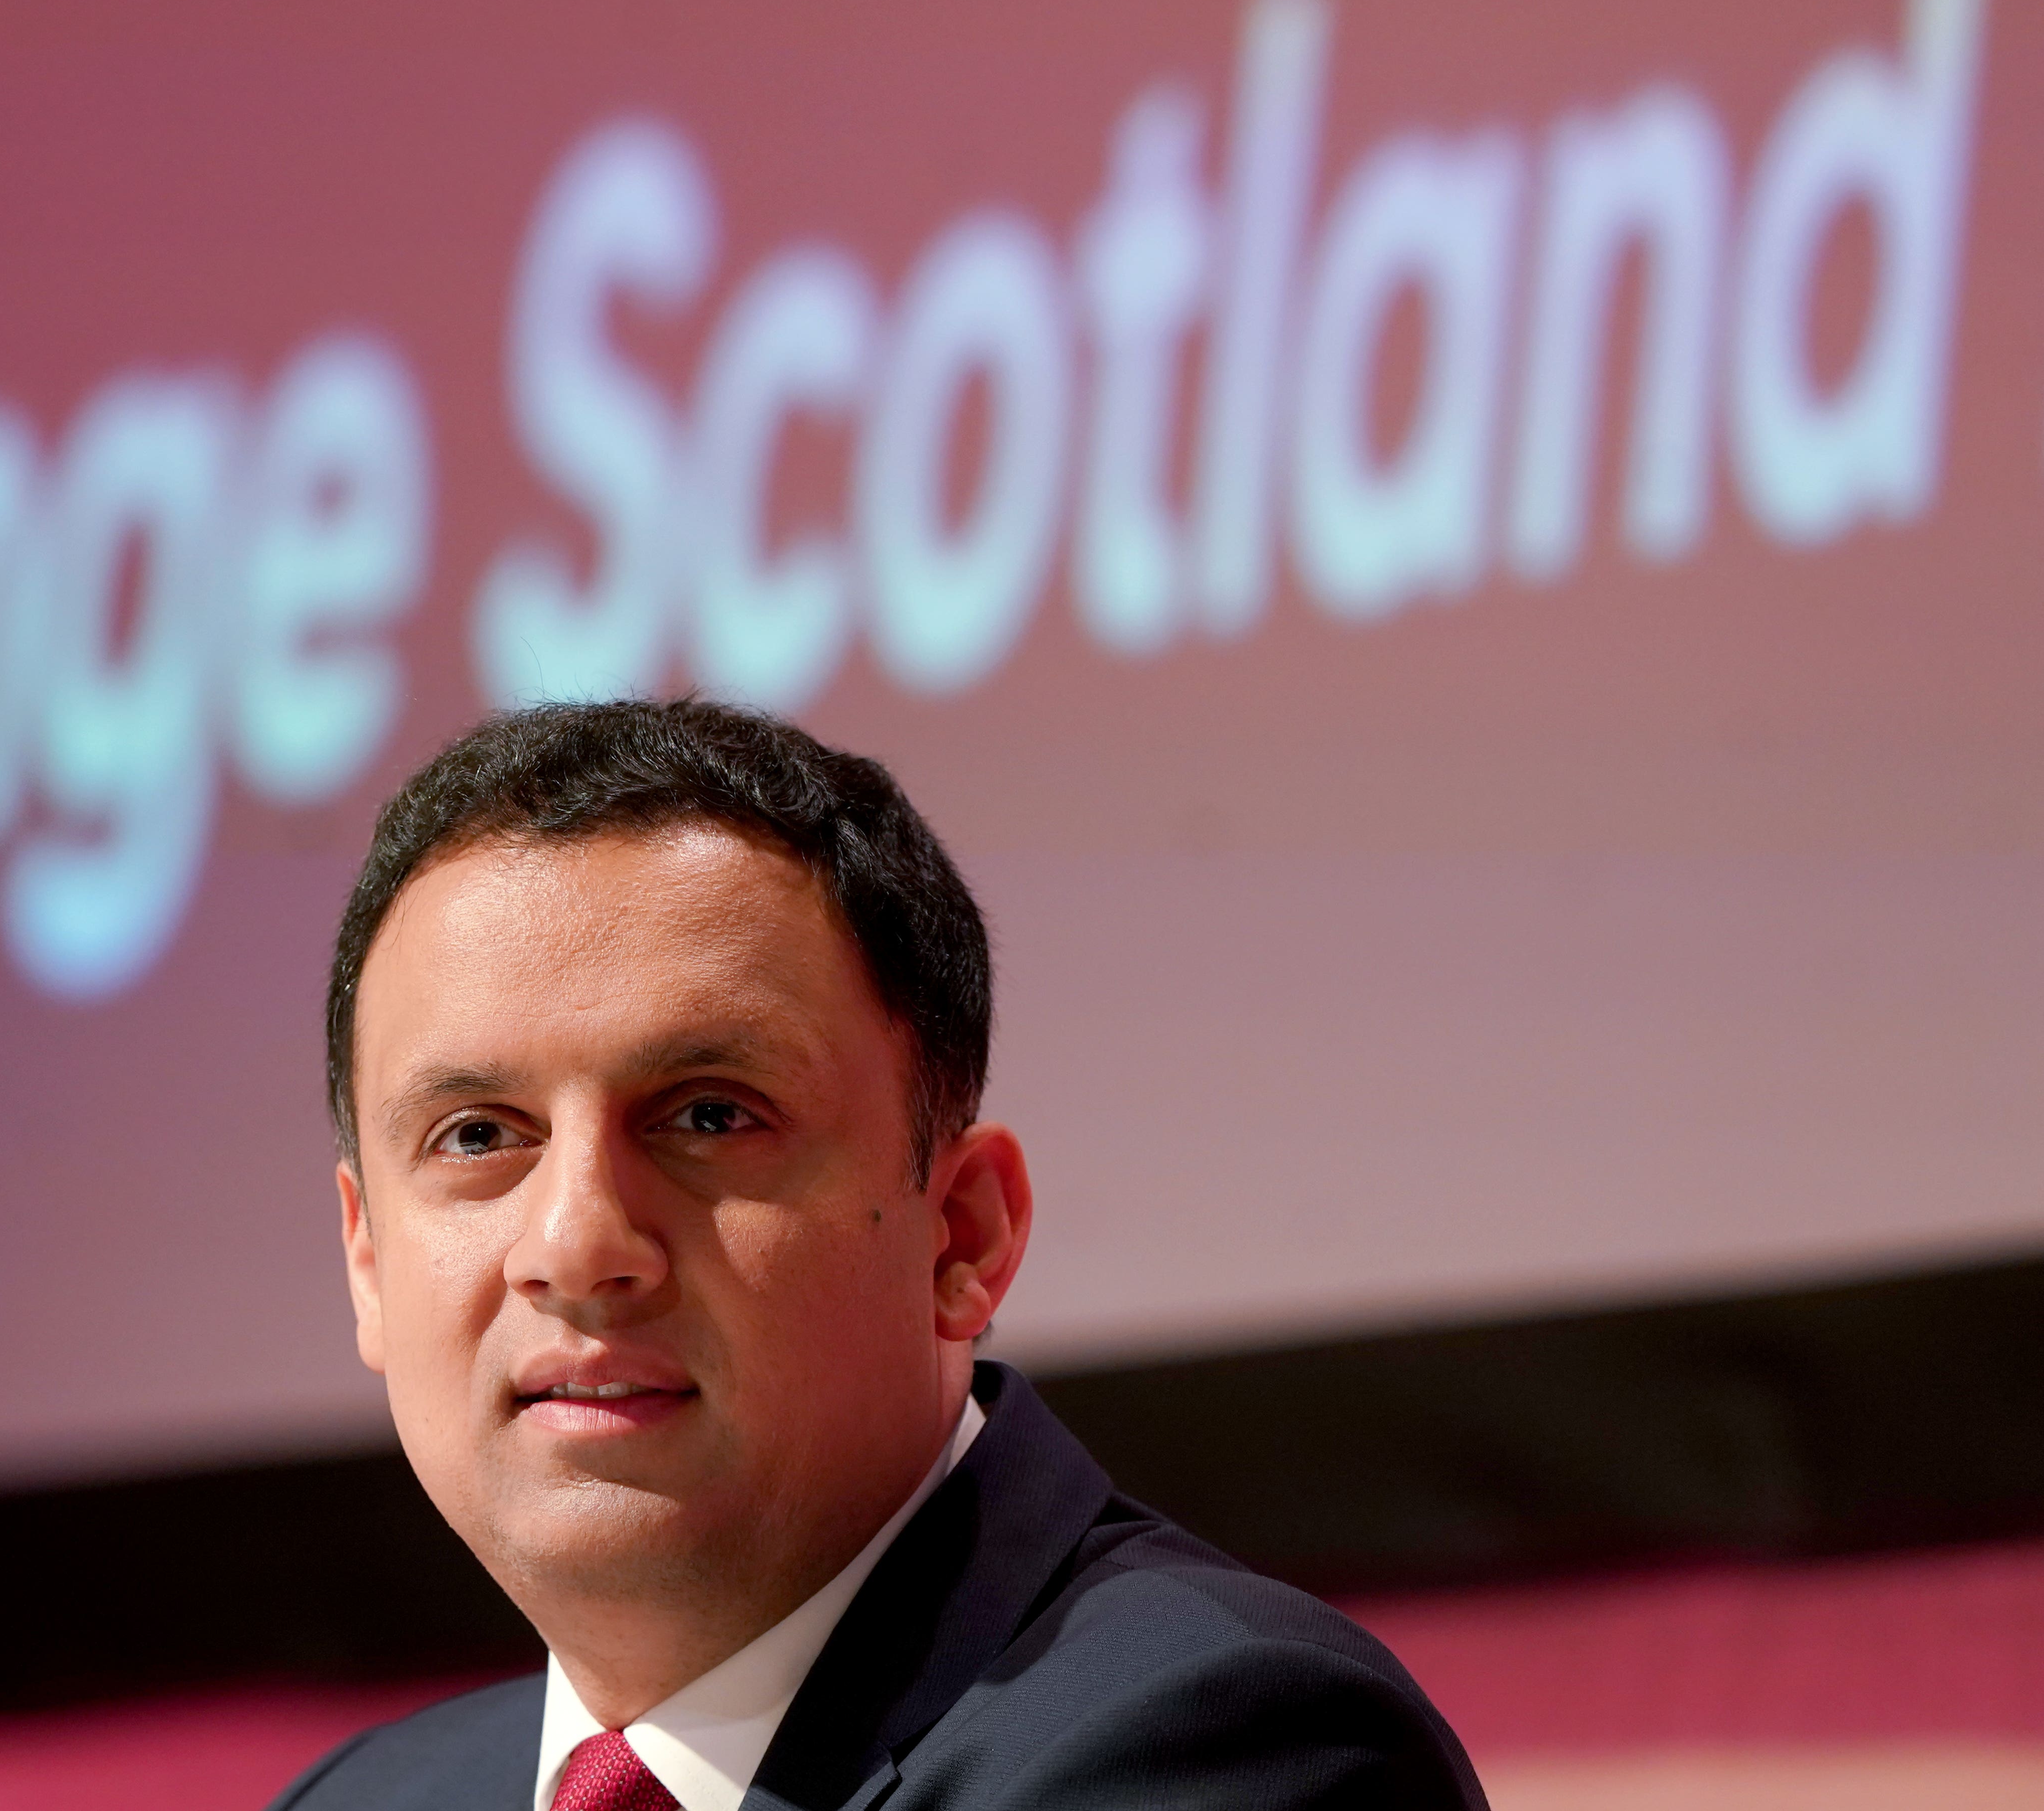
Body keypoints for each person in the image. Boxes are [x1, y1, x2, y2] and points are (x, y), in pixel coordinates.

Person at [273, 699, 1484, 1811]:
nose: (576, 1243)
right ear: (367, 1259)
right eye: (478, 1135)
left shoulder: (1232, 1749)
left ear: (963, 1233)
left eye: (707, 1115)